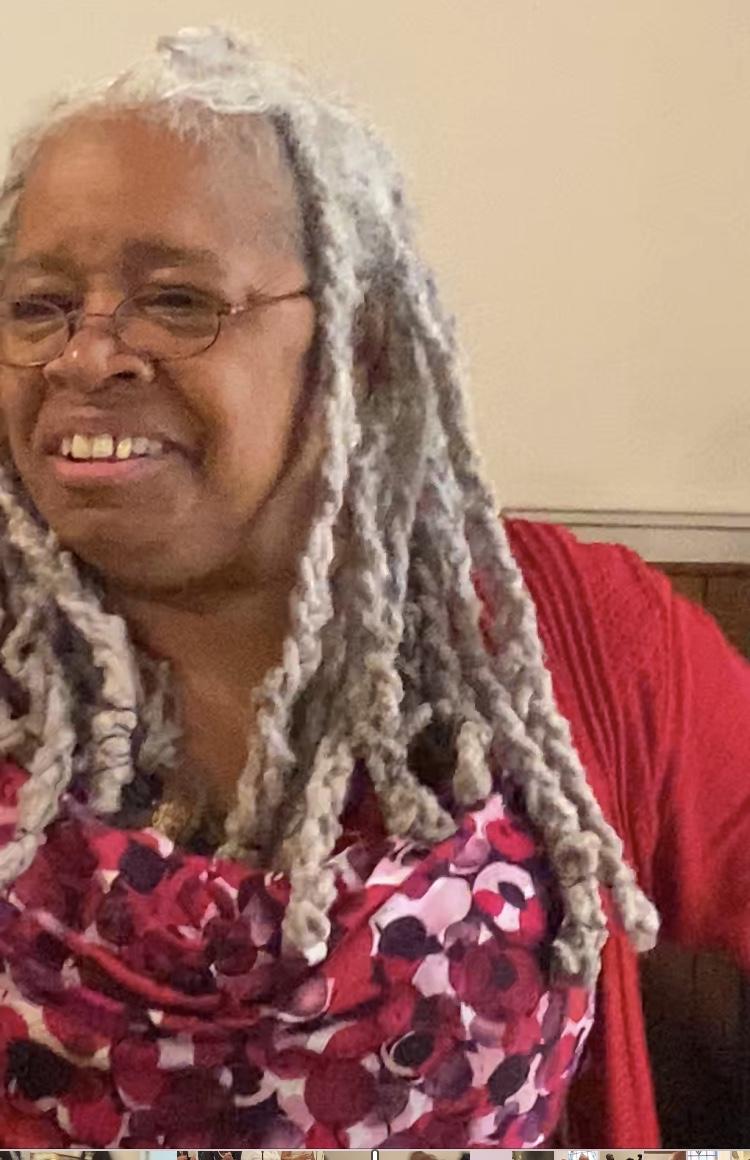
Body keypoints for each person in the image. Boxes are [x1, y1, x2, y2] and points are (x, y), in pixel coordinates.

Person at [0, 23, 746, 1151]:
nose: (86, 356)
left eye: (179, 300)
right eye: (39, 304)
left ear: (362, 345)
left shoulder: (570, 633)